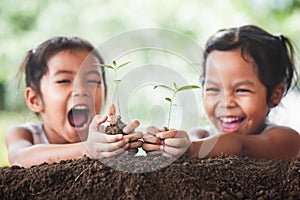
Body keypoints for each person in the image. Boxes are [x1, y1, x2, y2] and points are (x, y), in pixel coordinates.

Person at [142, 25, 300, 159]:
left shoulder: (286, 139)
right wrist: (164, 143)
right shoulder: (202, 135)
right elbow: (192, 140)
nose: (226, 102)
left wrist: (191, 148)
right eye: (213, 89)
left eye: (241, 90)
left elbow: (239, 145)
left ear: (275, 95)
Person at [5, 36, 142, 167]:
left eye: (93, 81)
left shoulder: (105, 137)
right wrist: (86, 149)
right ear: (35, 100)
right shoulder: (25, 134)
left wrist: (125, 143)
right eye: (64, 81)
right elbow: (20, 158)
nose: (81, 90)